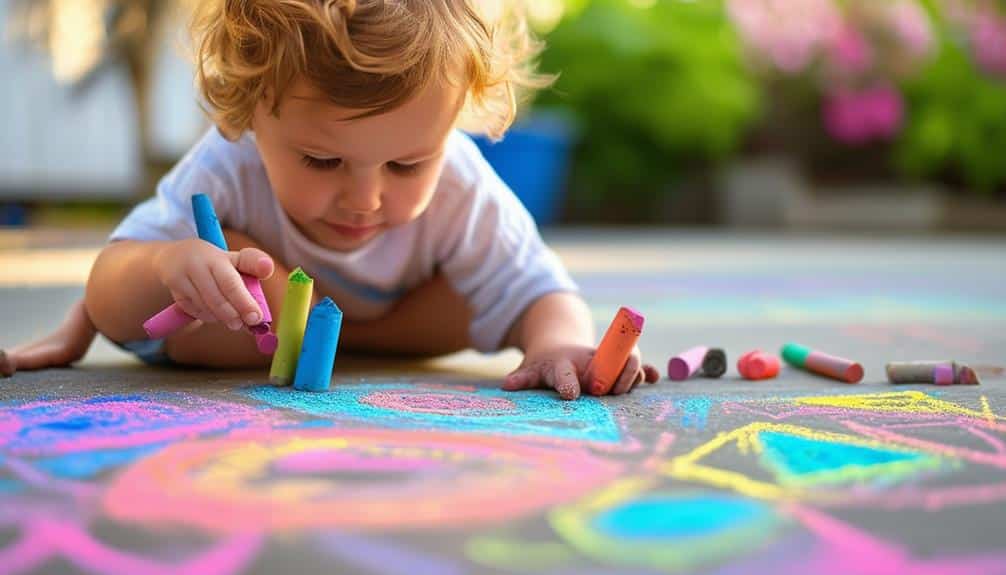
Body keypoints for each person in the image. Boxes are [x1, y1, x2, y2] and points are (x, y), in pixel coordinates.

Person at [2, 0, 659, 399]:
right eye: (322, 158)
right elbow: (112, 290)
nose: (365, 197)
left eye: (407, 163)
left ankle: (337, 334)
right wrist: (167, 267)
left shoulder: (461, 185)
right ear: (250, 112)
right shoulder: (228, 162)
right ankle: (304, 320)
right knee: (228, 260)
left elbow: (543, 289)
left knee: (486, 291)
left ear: (454, 119)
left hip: (403, 318)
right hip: (258, 331)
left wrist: (557, 344)